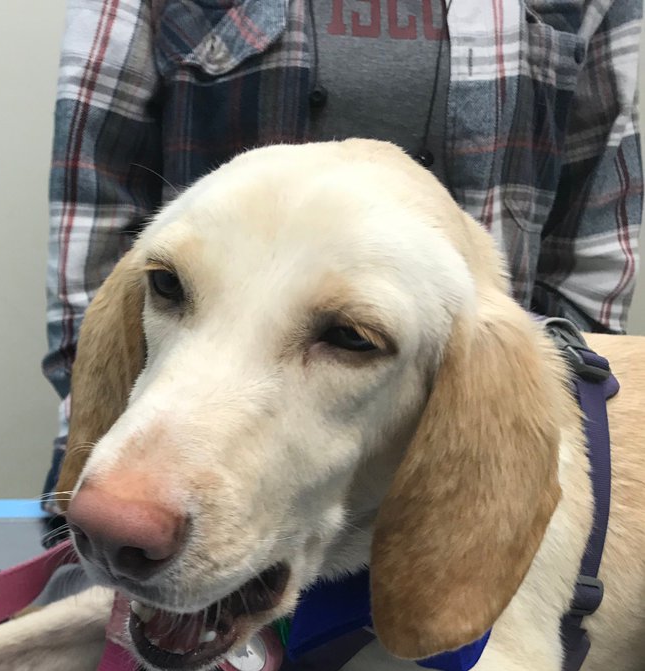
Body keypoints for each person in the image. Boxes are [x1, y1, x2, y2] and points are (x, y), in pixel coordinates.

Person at [41, 0, 642, 506]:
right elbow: (96, 224)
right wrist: (101, 445)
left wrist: (504, 469)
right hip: (161, 464)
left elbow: (590, 256)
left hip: (458, 461)